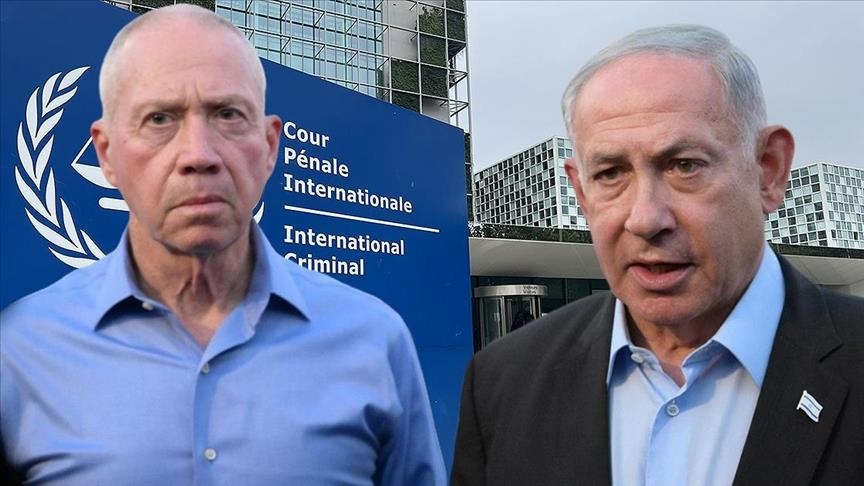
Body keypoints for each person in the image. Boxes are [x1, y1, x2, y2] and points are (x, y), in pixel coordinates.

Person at [0, 5, 446, 484]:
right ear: (105, 153)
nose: (198, 154)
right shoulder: (21, 351)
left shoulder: (375, 341)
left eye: (228, 114)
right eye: (159, 118)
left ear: (270, 146)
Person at [451, 24, 863, 486]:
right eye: (610, 173)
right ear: (581, 193)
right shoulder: (501, 383)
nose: (646, 218)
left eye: (684, 165)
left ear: (768, 170)